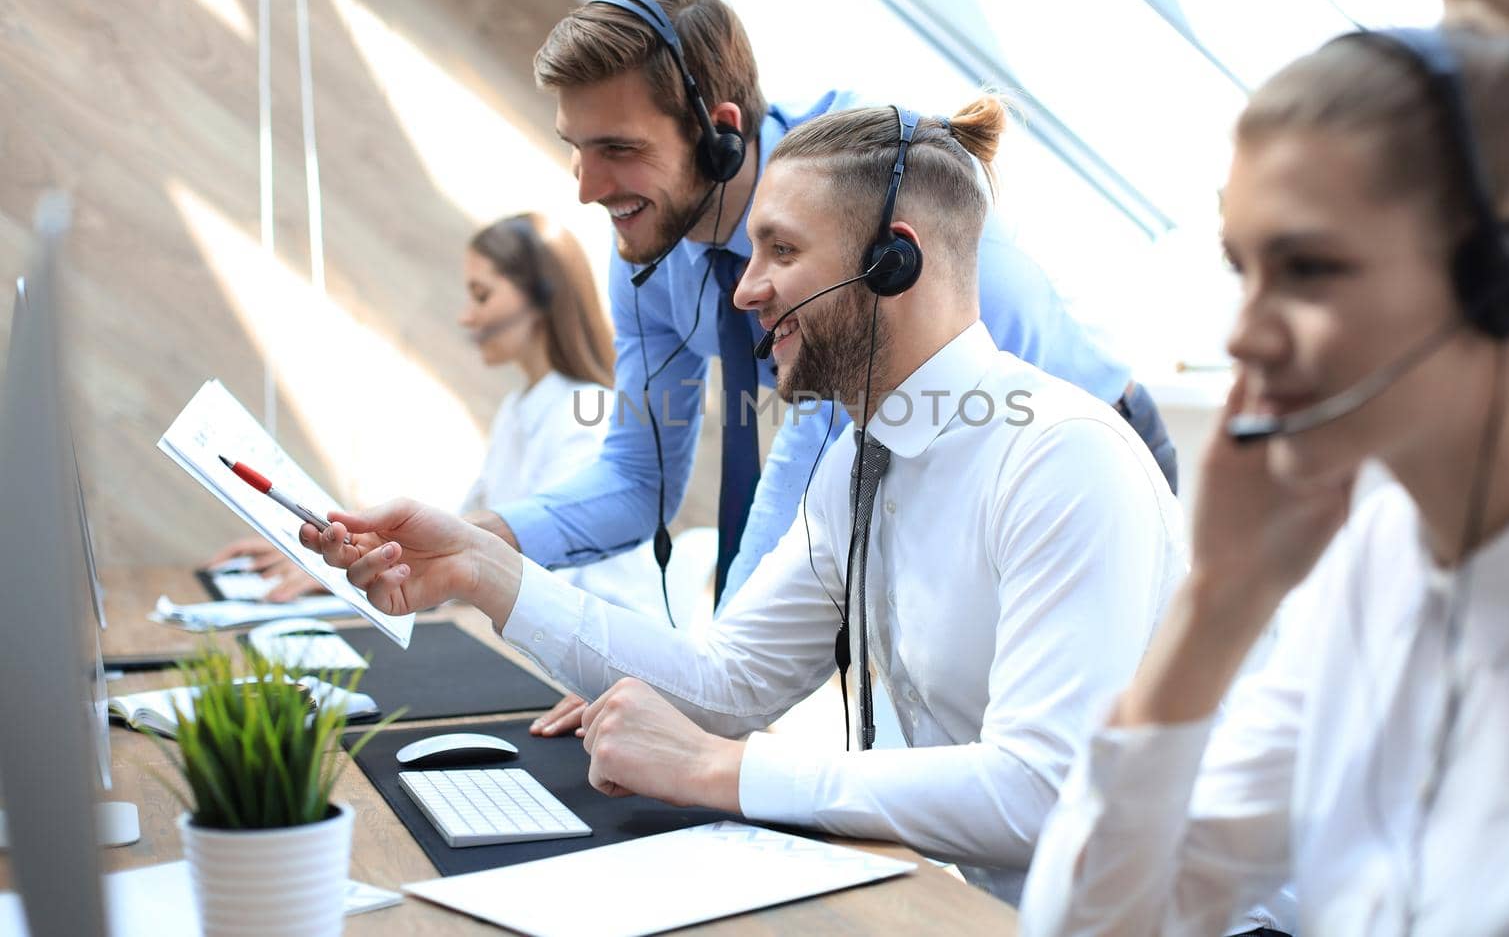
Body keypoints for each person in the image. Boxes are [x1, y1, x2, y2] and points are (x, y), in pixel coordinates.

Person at [300, 97, 1185, 903]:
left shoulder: (1061, 459)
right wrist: (487, 569)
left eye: (784, 250)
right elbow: (727, 683)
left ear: (893, 262)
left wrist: (725, 770)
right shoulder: (859, 467)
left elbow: (1040, 794)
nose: (745, 287)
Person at [1018, 0, 1509, 935]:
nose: (1242, 334)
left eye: (1308, 267)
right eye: (1243, 268)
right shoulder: (1365, 569)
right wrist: (1216, 605)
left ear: (1505, 278)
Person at [474, 0, 1177, 624]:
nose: (587, 187)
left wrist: (692, 684)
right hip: (931, 471)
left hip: (1080, 454)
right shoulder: (652, 245)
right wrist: (480, 540)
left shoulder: (857, 208)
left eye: (618, 150)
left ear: (718, 132)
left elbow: (802, 485)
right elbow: (638, 476)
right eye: (578, 147)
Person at [203, 213, 659, 621]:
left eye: (481, 295)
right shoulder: (521, 409)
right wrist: (335, 561)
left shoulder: (583, 417)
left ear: (542, 299)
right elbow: (458, 535)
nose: (466, 317)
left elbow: (558, 583)